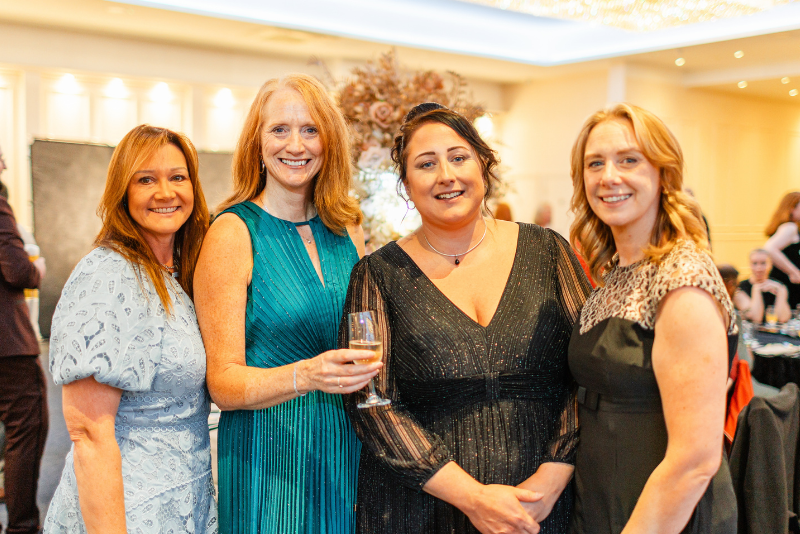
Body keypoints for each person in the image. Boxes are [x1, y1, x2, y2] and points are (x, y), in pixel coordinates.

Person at [342, 102, 591, 534]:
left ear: (483, 164)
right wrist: (473, 498)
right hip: (424, 507)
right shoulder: (376, 276)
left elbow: (590, 368)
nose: (446, 175)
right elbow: (372, 401)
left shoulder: (549, 252)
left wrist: (551, 478)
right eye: (426, 164)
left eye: (458, 157)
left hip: (544, 506)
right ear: (405, 184)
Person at [194, 73, 378, 534]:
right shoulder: (233, 233)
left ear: (328, 142)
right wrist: (307, 374)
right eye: (279, 129)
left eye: (310, 129)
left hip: (345, 439)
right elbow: (222, 382)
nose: (295, 144)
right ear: (256, 141)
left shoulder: (347, 229)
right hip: (269, 450)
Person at [567, 103, 737, 533]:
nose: (609, 177)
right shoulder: (616, 273)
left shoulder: (683, 276)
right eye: (595, 163)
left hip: (665, 513)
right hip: (603, 495)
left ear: (663, 173)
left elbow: (695, 461)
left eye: (629, 160)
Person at [44, 125, 216, 533]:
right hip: (127, 510)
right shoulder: (108, 275)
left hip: (184, 500)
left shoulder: (177, 275)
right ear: (123, 191)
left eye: (178, 177)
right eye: (145, 179)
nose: (165, 192)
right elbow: (89, 431)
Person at [0, 145, 48, 534]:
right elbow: (16, 271)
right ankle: (22, 527)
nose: (3, 164)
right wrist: (37, 269)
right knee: (26, 430)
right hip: (8, 346)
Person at [734, 249, 791, 324]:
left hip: (774, 333)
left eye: (763, 263)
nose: (759, 268)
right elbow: (756, 319)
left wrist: (780, 292)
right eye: (755, 263)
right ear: (749, 265)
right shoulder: (739, 288)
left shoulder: (779, 286)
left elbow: (783, 318)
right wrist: (756, 290)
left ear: (771, 265)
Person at [764, 191, 800, 308]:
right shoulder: (790, 227)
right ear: (791, 208)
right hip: (787, 284)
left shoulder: (788, 227)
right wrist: (794, 272)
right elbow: (769, 249)